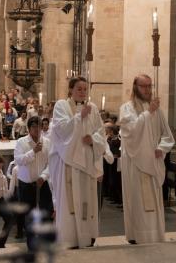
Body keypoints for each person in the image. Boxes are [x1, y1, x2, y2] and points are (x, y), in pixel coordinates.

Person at [48, 77, 113, 249]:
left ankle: (88, 236)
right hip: (68, 162)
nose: (82, 92)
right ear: (70, 89)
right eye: (79, 88)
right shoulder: (61, 105)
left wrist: (93, 140)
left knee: (87, 199)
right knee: (70, 201)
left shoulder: (93, 109)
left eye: (85, 89)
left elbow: (100, 132)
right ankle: (70, 238)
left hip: (87, 162)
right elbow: (60, 130)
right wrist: (78, 117)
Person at [119, 74, 175, 244]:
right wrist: (147, 113)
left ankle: (154, 235)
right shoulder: (127, 108)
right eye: (144, 86)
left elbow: (167, 136)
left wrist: (161, 148)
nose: (147, 90)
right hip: (135, 162)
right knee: (137, 200)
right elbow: (131, 132)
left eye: (150, 86)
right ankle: (136, 235)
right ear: (135, 87)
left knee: (153, 203)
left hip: (152, 161)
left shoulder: (156, 111)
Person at [14, 116, 53, 250]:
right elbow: (19, 160)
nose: (37, 130)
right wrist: (33, 151)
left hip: (42, 183)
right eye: (34, 127)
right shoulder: (21, 142)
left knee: (47, 213)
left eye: (39, 127)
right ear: (29, 128)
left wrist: (43, 176)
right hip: (26, 184)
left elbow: (50, 163)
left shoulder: (47, 142)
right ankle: (31, 245)